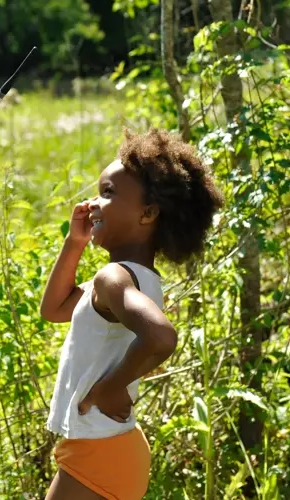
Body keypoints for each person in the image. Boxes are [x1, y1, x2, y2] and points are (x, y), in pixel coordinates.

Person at [39, 128, 224, 500]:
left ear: (148, 213)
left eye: (108, 193)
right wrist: (74, 243)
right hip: (107, 445)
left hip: (100, 449)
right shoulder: (133, 279)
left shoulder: (114, 278)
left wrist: (112, 386)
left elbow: (161, 337)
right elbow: (54, 309)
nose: (93, 203)